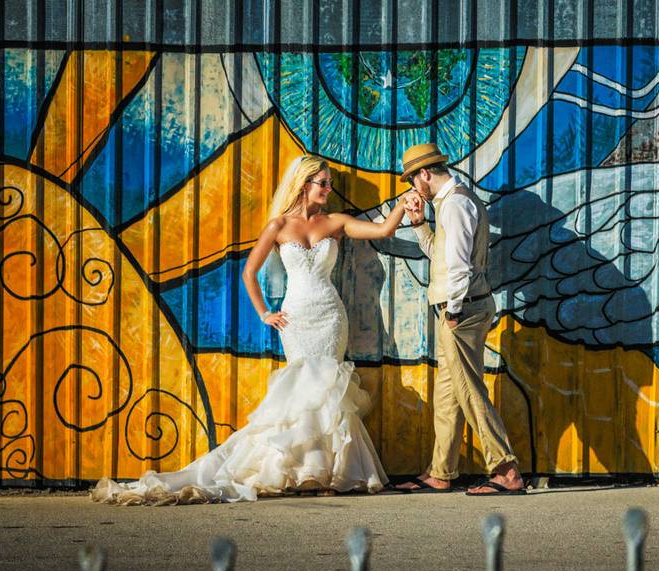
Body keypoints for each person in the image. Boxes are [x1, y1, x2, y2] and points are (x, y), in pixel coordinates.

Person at [92, 155, 418, 505]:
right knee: (301, 389)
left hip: (330, 317)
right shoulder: (278, 226)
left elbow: (382, 231)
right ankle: (299, 468)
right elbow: (249, 273)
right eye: (322, 183)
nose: (328, 188)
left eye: (328, 183)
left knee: (327, 389)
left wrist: (402, 203)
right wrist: (265, 313)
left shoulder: (335, 222)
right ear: (304, 184)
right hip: (296, 319)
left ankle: (328, 474)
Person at [395, 143, 525, 496]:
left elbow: (457, 267)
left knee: (469, 391)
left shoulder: (454, 205)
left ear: (425, 174)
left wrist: (452, 312)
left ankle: (505, 469)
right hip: (461, 307)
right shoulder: (451, 204)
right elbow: (443, 255)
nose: (413, 188)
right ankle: (441, 472)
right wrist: (420, 226)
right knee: (449, 394)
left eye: (413, 179)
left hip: (461, 310)